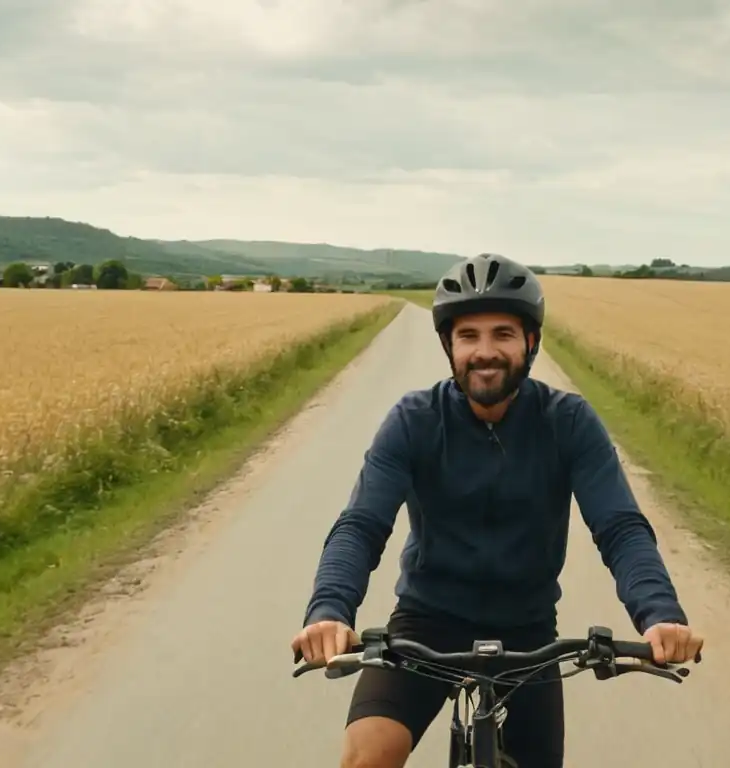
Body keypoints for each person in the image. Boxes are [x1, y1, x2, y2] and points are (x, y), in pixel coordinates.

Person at [291, 253, 703, 768]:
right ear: (449, 346)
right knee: (367, 756)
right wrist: (330, 611)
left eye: (503, 334)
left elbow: (619, 526)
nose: (485, 352)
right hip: (425, 623)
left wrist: (659, 614)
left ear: (531, 342)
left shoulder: (568, 422)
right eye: (469, 336)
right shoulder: (414, 421)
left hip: (528, 632)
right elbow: (361, 525)